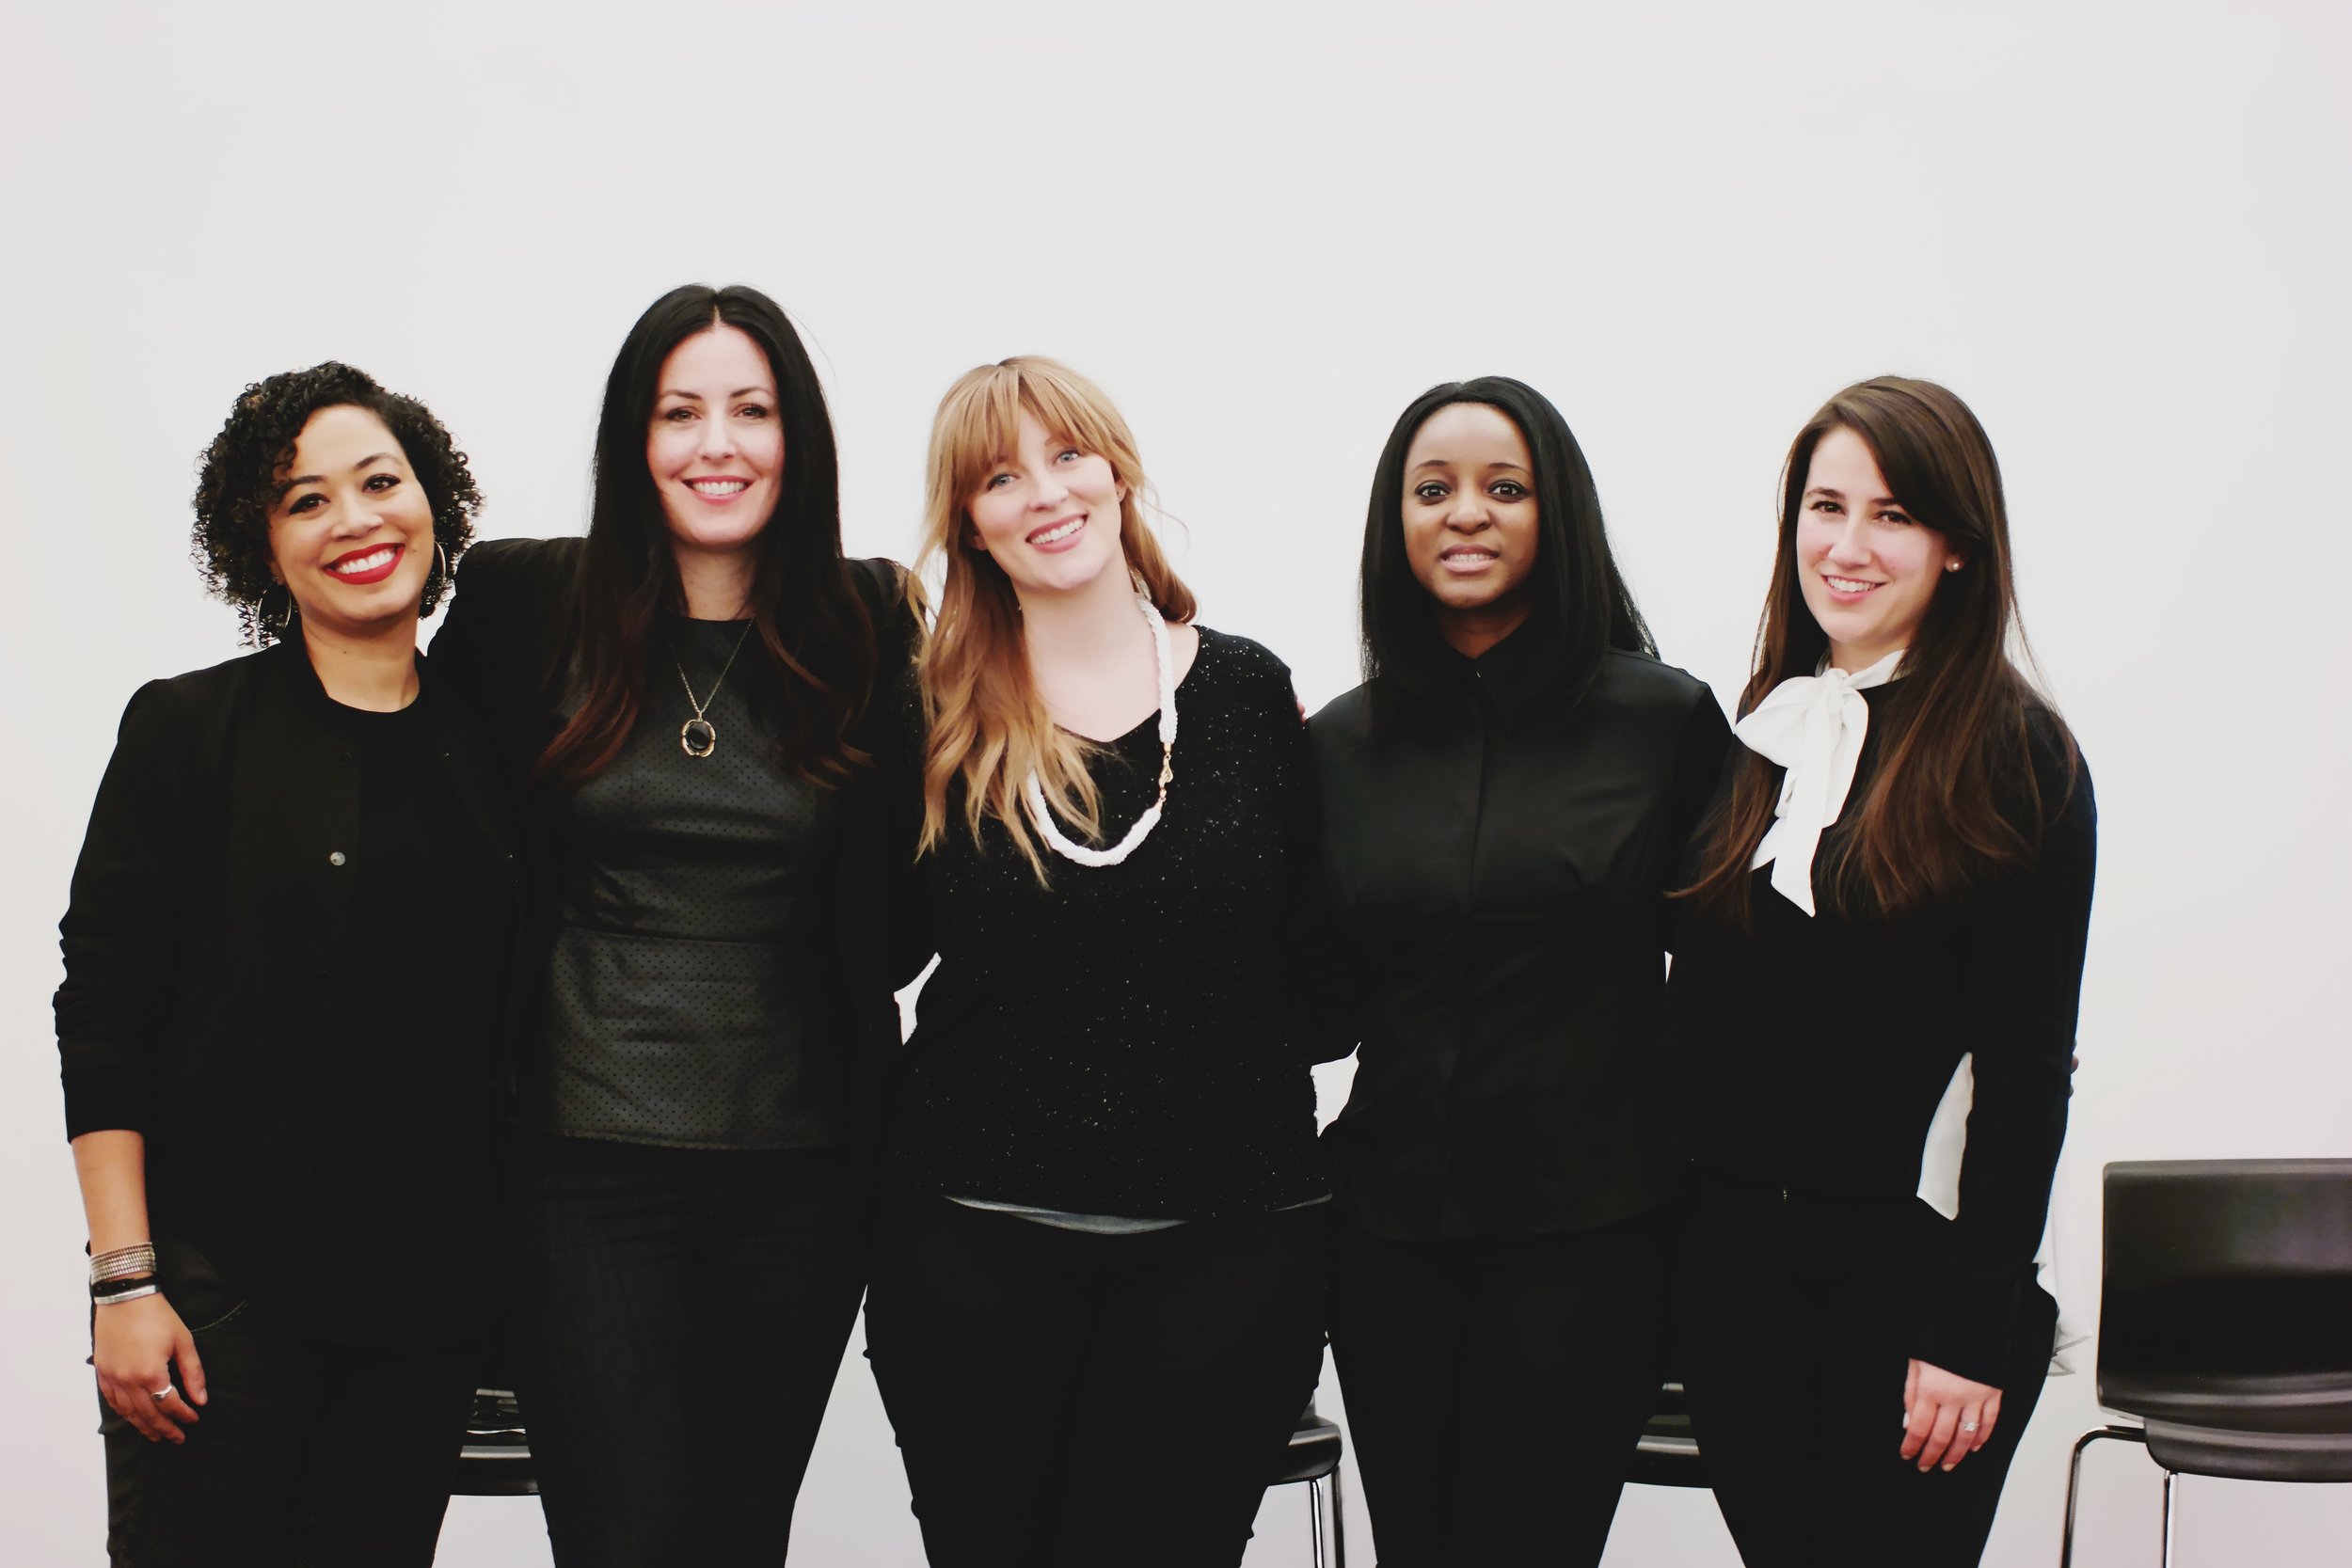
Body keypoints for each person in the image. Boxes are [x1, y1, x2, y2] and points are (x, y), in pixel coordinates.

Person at [427, 284, 921, 1564]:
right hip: (577, 1165)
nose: (717, 444)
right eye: (679, 411)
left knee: (742, 1535)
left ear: (797, 436)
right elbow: (424, 821)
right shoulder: (527, 600)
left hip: (803, 1172)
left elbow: (911, 894)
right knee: (625, 1537)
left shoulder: (871, 620)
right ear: (632, 438)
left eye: (751, 410)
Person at [862, 356, 1335, 1567]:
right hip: (972, 1247)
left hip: (1227, 1248)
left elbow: (1319, 973)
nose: (1045, 493)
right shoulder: (928, 711)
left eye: (1067, 454)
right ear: (969, 523)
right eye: (1000, 477)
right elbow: (865, 946)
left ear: (1118, 473)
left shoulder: (1248, 693)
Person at [54, 363, 519, 1565]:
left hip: (424, 1323)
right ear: (261, 547)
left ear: (434, 502)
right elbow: (103, 1007)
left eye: (380, 481)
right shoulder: (189, 728)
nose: (356, 519)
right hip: (217, 1308)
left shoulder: (500, 748)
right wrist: (124, 1282)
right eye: (307, 500)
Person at [1661, 376, 2096, 1567]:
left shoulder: (2019, 758)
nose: (1846, 547)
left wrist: (1969, 1324)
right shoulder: (1767, 729)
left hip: (1910, 1284)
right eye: (1826, 506)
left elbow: (2024, 1072)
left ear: (1957, 544)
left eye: (1892, 514)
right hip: (1736, 1280)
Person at [1308, 377, 1730, 1564]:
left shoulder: (1665, 722)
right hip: (1386, 1237)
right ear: (1394, 521)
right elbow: (1317, 1005)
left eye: (1505, 487)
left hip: (1591, 1238)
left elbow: (1733, 991)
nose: (1465, 512)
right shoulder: (1336, 743)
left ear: (1558, 515)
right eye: (1431, 489)